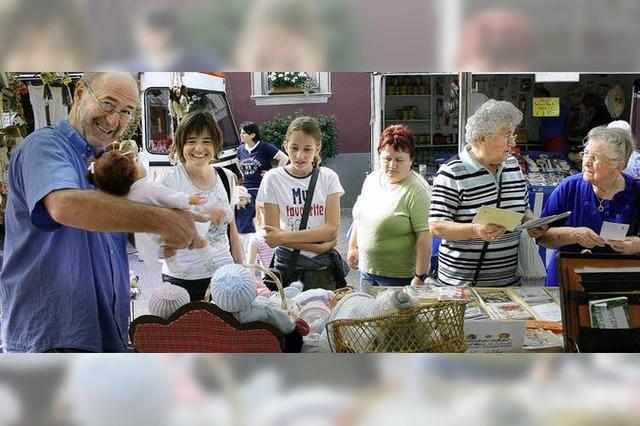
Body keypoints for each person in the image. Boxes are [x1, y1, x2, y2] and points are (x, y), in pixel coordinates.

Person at [0, 72, 203, 352]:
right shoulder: (44, 146)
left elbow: (108, 232)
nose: (113, 120)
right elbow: (64, 206)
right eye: (108, 104)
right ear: (80, 93)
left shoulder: (103, 163)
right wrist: (160, 219)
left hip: (103, 335)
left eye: (126, 112)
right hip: (52, 337)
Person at [428, 100, 547, 287]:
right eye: (507, 136)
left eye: (513, 135)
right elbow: (436, 227)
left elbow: (523, 207)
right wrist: (475, 230)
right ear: (482, 138)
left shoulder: (513, 166)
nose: (513, 142)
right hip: (461, 286)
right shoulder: (451, 172)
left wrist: (531, 223)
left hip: (509, 284)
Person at [538, 126, 640, 286]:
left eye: (595, 158)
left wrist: (637, 245)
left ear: (618, 166)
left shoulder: (636, 191)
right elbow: (542, 236)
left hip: (617, 284)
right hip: (567, 281)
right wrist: (574, 235)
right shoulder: (569, 187)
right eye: (585, 154)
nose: (586, 162)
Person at [160, 110, 243, 301]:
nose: (199, 148)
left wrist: (241, 269)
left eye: (206, 141)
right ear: (181, 145)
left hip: (225, 277)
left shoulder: (226, 177)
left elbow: (232, 232)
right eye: (191, 141)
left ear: (216, 145)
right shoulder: (170, 180)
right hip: (182, 280)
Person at [86, 148, 215, 273]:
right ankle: (206, 248)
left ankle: (173, 263)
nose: (140, 163)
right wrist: (188, 199)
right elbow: (169, 197)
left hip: (155, 230)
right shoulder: (147, 187)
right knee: (194, 229)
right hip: (173, 218)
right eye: (137, 162)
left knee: (169, 246)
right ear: (134, 173)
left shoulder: (125, 195)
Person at [256, 116, 346, 288]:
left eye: (307, 149)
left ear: (317, 148)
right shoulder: (273, 178)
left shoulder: (328, 178)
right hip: (287, 265)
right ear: (285, 146)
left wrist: (283, 237)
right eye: (294, 148)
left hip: (321, 268)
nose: (300, 155)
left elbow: (331, 231)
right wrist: (317, 247)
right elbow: (272, 235)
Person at [348, 125, 432, 288]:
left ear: (411, 160)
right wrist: (352, 247)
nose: (392, 165)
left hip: (399, 279)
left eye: (399, 160)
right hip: (366, 273)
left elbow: (424, 237)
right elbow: (359, 216)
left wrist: (420, 277)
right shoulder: (372, 179)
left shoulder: (417, 191)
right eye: (387, 158)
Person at [235, 121, 288, 254]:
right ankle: (248, 250)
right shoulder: (241, 149)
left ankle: (264, 250)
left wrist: (272, 173)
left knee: (261, 220)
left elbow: (284, 158)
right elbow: (238, 160)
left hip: (262, 189)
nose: (241, 135)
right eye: (241, 132)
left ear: (252, 134)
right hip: (247, 189)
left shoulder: (264, 147)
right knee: (243, 217)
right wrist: (243, 173)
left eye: (244, 133)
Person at [246, 202, 276, 282]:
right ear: (259, 213)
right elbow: (250, 265)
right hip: (268, 281)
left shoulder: (285, 233)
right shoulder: (256, 238)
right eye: (263, 211)